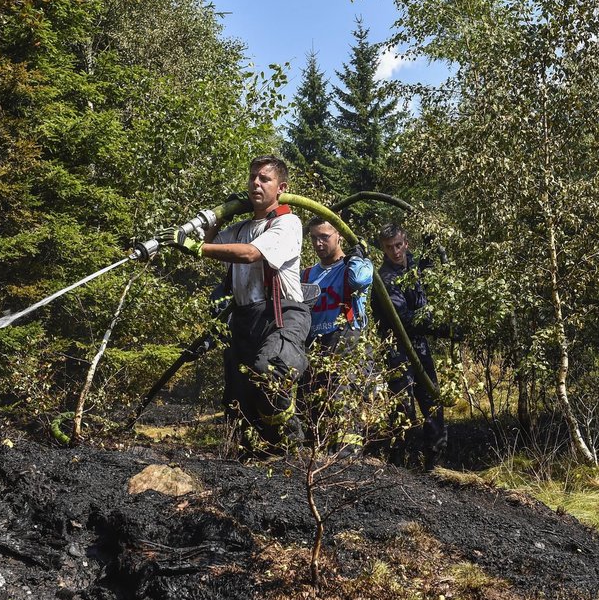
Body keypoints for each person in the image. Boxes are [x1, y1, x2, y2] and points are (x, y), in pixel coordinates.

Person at [157, 155, 310, 455]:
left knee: (270, 372)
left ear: (281, 188)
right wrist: (219, 217)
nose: (255, 182)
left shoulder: (287, 223)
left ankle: (291, 448)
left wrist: (198, 246)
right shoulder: (240, 228)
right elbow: (212, 244)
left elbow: (250, 254)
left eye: (264, 178)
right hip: (244, 317)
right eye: (252, 176)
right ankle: (252, 455)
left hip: (281, 313)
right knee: (238, 394)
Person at [374, 223, 446, 470]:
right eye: (389, 247)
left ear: (406, 243)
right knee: (403, 408)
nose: (395, 251)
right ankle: (400, 465)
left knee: (432, 401)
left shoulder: (414, 265)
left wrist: (431, 243)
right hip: (396, 348)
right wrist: (440, 327)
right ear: (383, 249)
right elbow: (405, 319)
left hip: (420, 345)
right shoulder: (385, 279)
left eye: (398, 245)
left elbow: (430, 272)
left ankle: (435, 463)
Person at [300, 217, 374, 456]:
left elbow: (360, 280)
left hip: (347, 338)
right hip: (315, 342)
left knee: (343, 397)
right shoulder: (308, 274)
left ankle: (348, 456)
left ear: (339, 236)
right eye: (313, 238)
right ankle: (315, 456)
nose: (318, 243)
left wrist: (356, 256)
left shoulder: (354, 267)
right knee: (310, 400)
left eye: (324, 237)